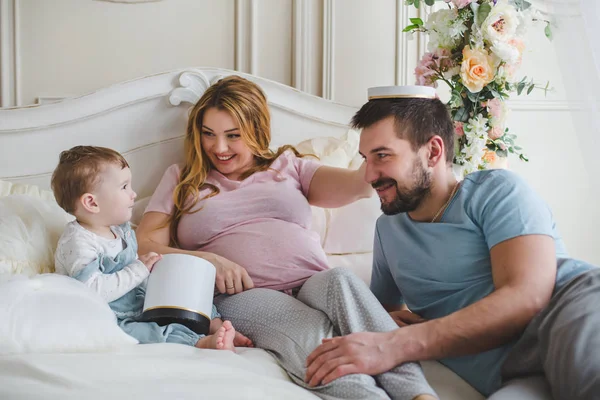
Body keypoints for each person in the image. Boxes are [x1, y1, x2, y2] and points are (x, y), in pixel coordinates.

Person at [136, 76, 437, 400]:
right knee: (310, 335)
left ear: (256, 130)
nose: (218, 148)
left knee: (342, 280)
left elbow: (360, 182)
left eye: (233, 136)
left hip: (314, 279)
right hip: (247, 293)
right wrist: (210, 261)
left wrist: (391, 148)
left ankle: (420, 395)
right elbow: (145, 245)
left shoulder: (289, 166)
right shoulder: (182, 179)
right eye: (208, 134)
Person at [304, 85, 600, 400]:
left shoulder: (497, 191)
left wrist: (396, 343)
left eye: (382, 156)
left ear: (433, 151)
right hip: (510, 371)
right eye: (366, 159)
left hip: (567, 315)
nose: (369, 176)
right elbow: (379, 316)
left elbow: (526, 297)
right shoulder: (387, 231)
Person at [51, 145, 253, 351]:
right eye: (124, 187)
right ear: (92, 203)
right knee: (147, 332)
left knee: (184, 291)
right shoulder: (78, 243)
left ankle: (214, 324)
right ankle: (201, 342)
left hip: (138, 301)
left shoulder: (119, 229)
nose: (133, 193)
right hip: (111, 316)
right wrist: (138, 270)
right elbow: (92, 290)